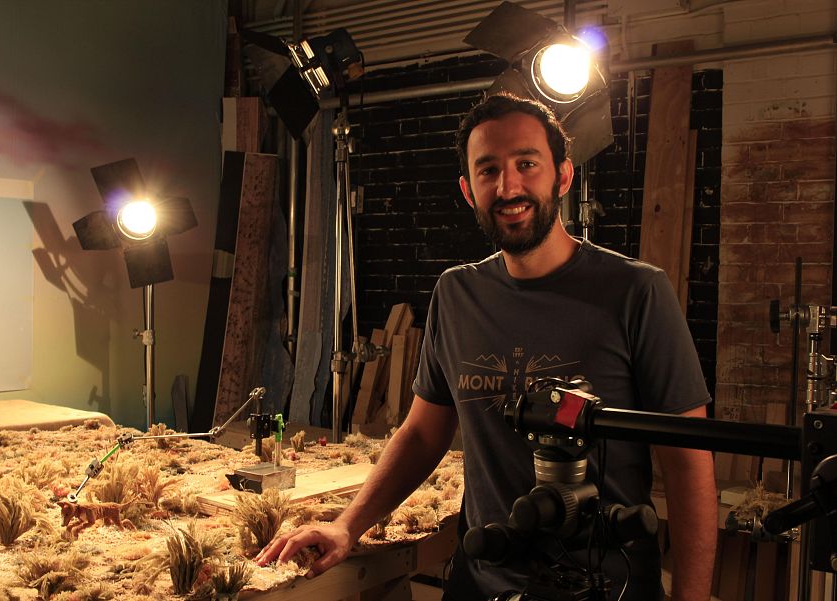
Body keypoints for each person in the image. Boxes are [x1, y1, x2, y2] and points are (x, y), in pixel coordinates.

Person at [256, 93, 718, 601]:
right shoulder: (457, 294)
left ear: (562, 177)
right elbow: (421, 435)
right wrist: (349, 525)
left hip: (604, 587)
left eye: (526, 164)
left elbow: (688, 467)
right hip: (481, 584)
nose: (508, 186)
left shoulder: (636, 292)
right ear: (467, 189)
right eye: (488, 170)